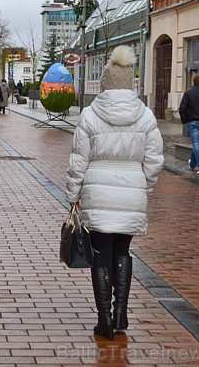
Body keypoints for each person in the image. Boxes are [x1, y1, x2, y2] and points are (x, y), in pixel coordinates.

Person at [65, 45, 164, 340]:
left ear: (105, 84)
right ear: (130, 82)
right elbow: (155, 159)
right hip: (131, 192)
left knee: (100, 254)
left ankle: (104, 319)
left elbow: (78, 160)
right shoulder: (145, 116)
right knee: (123, 250)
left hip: (98, 193)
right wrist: (143, 186)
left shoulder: (89, 115)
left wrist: (73, 193)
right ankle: (121, 313)